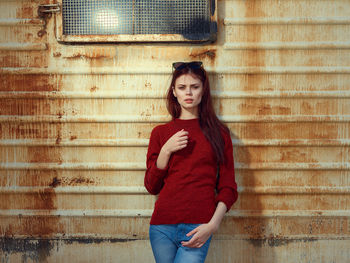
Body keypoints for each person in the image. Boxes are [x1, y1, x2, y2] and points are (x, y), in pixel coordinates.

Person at [144, 61, 238, 263]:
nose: (188, 93)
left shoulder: (219, 133)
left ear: (203, 91)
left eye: (195, 87)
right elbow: (152, 186)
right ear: (174, 92)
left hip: (198, 227)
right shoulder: (160, 133)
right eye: (182, 87)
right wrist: (166, 150)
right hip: (162, 227)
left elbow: (228, 187)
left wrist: (212, 225)